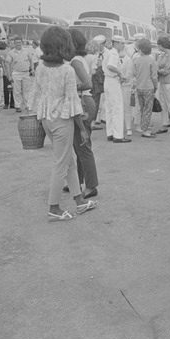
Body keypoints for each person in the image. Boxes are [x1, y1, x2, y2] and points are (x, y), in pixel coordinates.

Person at [26, 26, 94, 220]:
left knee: (67, 160)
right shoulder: (67, 70)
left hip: (47, 118)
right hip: (62, 121)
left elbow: (36, 94)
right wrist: (82, 129)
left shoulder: (41, 68)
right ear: (65, 45)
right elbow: (73, 102)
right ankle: (53, 208)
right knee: (60, 164)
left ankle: (79, 201)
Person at [68, 28, 99, 199]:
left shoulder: (75, 61)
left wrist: (71, 88)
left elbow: (87, 83)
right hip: (87, 102)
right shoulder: (81, 58)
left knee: (83, 146)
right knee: (80, 145)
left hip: (83, 103)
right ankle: (78, 181)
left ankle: (91, 185)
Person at [103, 35, 130, 143]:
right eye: (122, 43)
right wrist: (120, 74)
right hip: (113, 81)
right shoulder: (114, 53)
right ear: (116, 43)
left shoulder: (109, 52)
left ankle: (110, 133)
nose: (123, 45)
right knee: (117, 108)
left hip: (107, 80)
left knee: (109, 108)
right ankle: (118, 135)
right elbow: (111, 66)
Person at [131, 38, 158, 138]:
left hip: (139, 87)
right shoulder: (151, 61)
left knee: (142, 108)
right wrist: (156, 86)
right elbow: (154, 76)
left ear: (141, 50)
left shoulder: (136, 60)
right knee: (148, 109)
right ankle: (145, 130)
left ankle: (143, 126)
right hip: (149, 87)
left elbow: (133, 73)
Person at [155, 36, 170, 135]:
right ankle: (164, 124)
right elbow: (159, 65)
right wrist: (161, 69)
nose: (158, 47)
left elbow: (166, 70)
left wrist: (158, 70)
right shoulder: (162, 55)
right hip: (163, 82)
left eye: (159, 45)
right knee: (163, 104)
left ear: (162, 45)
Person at [6, 36, 36, 112]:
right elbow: (8, 64)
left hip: (26, 72)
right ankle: (17, 106)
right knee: (17, 91)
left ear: (22, 42)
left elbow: (31, 60)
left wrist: (32, 69)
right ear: (14, 43)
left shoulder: (26, 51)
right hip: (16, 73)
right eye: (17, 42)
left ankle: (27, 105)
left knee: (27, 90)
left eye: (19, 42)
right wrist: (9, 75)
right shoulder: (11, 53)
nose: (18, 44)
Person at [117, 37, 135, 137]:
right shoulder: (113, 57)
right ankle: (118, 127)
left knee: (127, 107)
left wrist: (123, 78)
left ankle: (128, 128)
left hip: (126, 86)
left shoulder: (128, 59)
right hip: (116, 85)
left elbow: (129, 72)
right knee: (117, 107)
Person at [0, 40, 14, 109]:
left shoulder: (16, 53)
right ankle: (6, 103)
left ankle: (13, 103)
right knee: (6, 89)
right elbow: (3, 63)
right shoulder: (5, 53)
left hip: (14, 73)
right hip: (7, 73)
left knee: (14, 89)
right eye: (11, 43)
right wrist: (6, 73)